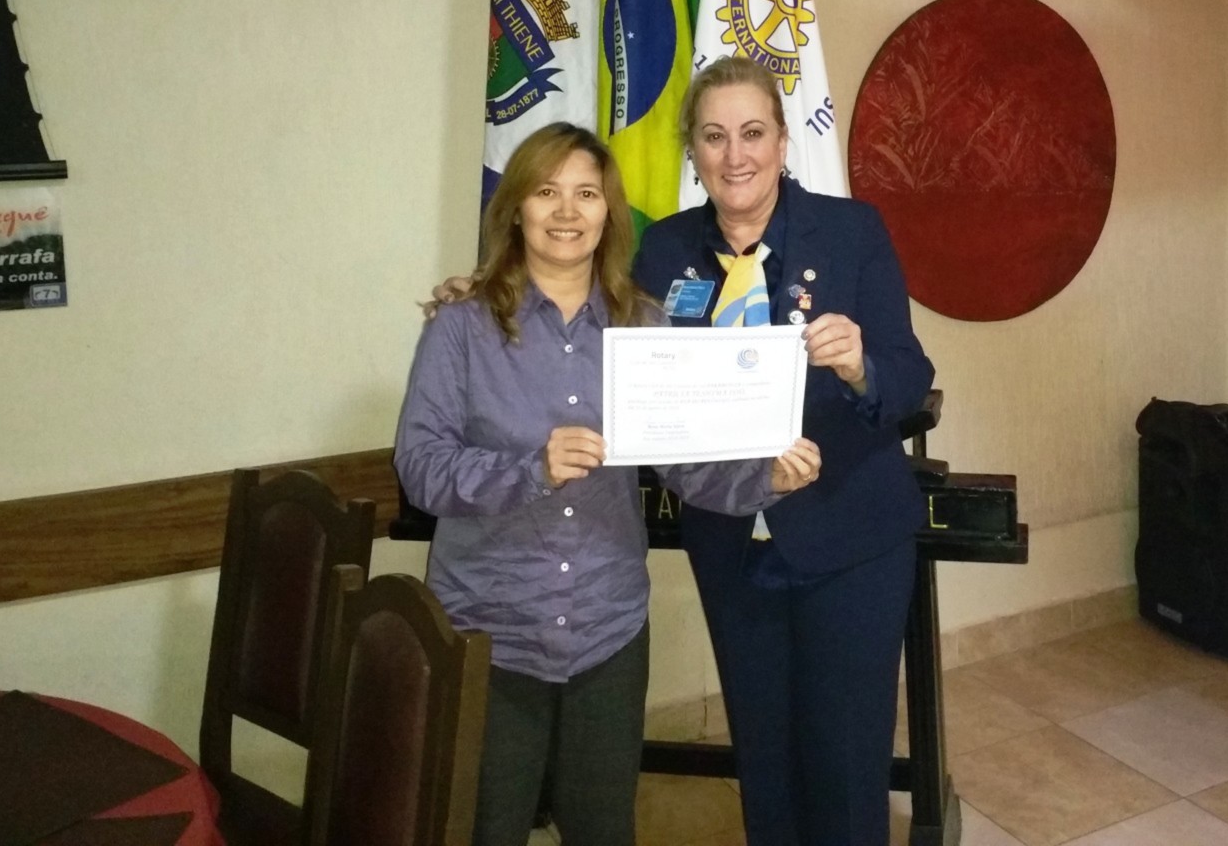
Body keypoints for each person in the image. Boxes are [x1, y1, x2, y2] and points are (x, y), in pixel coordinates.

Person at [395, 121, 820, 846]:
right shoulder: (460, 329)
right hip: (489, 634)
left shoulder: (644, 327)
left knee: (603, 831)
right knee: (484, 829)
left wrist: (767, 476)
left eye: (586, 194)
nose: (567, 211)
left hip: (607, 631)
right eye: (546, 192)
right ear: (516, 209)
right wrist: (529, 472)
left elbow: (690, 465)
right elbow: (421, 468)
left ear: (608, 213)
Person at [634, 55, 933, 846]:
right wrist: (479, 298)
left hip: (852, 539)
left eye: (753, 133)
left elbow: (910, 375)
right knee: (764, 761)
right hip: (733, 545)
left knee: (847, 765)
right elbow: (628, 376)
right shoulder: (661, 251)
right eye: (714, 136)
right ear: (692, 150)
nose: (735, 155)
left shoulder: (851, 231)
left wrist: (862, 365)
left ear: (782, 141)